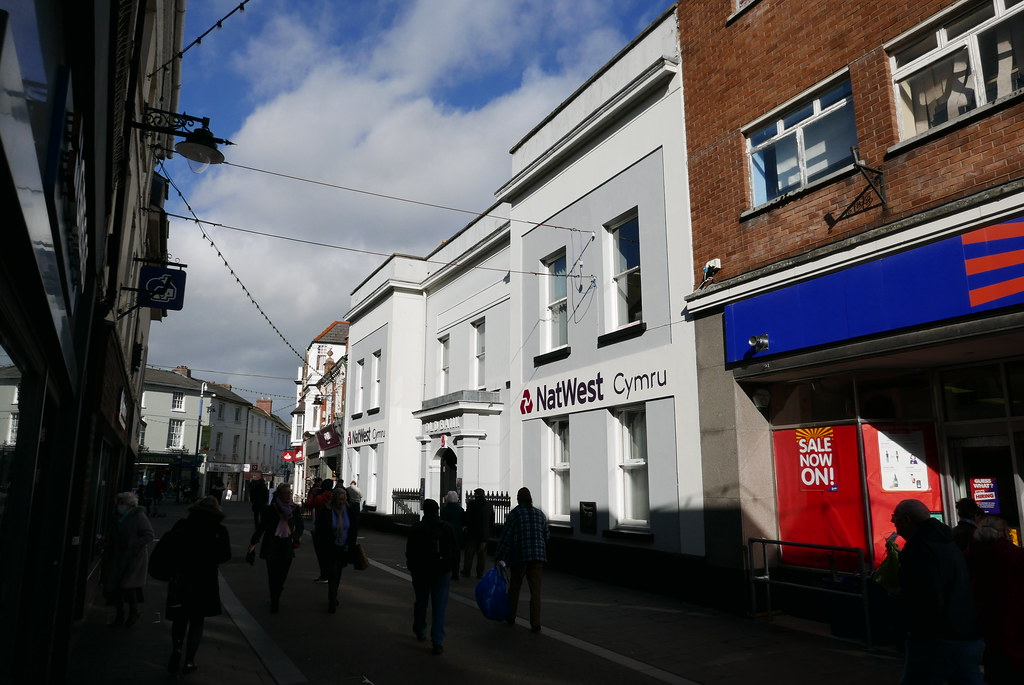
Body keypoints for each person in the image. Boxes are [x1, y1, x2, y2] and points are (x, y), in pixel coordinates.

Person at [891, 498, 983, 683]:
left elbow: (925, 597)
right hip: (967, 632)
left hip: (936, 637)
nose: (893, 523)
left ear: (907, 520)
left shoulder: (919, 549)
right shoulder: (947, 540)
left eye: (895, 518)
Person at [163, 497, 231, 675]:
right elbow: (225, 555)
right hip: (205, 580)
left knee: (180, 618)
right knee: (197, 621)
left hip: (182, 577)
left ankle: (177, 649)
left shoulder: (182, 525)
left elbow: (169, 547)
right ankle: (190, 660)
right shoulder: (219, 530)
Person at [966, 516, 1024, 683]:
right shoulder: (1015, 554)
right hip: (1013, 618)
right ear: (1004, 533)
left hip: (981, 620)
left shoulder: (970, 555)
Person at [406, 499, 458, 655]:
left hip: (421, 571)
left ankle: (420, 629)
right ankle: (437, 640)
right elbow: (455, 550)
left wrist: (412, 567)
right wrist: (451, 568)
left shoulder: (417, 528)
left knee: (421, 602)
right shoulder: (447, 528)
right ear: (437, 510)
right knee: (439, 606)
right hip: (442, 571)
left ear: (424, 510)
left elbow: (410, 551)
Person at [495, 487, 549, 633]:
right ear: (530, 498)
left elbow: (506, 538)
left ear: (518, 499)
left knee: (514, 587)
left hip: (519, 556)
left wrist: (500, 557)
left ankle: (511, 616)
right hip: (537, 557)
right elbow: (546, 535)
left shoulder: (514, 514)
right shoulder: (540, 514)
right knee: (536, 592)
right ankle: (536, 624)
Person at [248, 483, 304, 613]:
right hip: (272, 545)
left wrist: (295, 537)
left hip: (287, 545)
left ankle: (277, 591)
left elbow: (300, 526)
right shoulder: (270, 510)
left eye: (290, 493)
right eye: (286, 493)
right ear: (279, 495)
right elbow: (261, 528)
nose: (289, 496)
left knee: (283, 574)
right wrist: (253, 543)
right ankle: (274, 598)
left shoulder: (294, 509)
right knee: (273, 574)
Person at [101, 492, 155, 627]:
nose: (119, 506)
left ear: (130, 505)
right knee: (116, 587)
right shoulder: (115, 517)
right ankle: (120, 614)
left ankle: (133, 612)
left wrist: (130, 544)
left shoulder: (139, 517)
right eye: (119, 503)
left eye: (122, 503)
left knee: (128, 585)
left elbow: (149, 535)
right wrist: (108, 542)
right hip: (117, 556)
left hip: (134, 558)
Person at [313, 487, 360, 613]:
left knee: (338, 572)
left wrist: (351, 544)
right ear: (334, 499)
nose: (341, 502)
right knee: (333, 572)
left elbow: (353, 528)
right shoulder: (327, 511)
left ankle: (334, 594)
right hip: (330, 547)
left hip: (344, 547)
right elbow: (321, 530)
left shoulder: (349, 510)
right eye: (339, 500)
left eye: (343, 500)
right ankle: (332, 599)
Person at [306, 478, 335, 583]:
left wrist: (312, 494)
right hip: (333, 528)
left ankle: (324, 575)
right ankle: (331, 574)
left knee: (321, 553)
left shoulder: (320, 497)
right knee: (331, 553)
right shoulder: (335, 496)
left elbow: (308, 504)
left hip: (321, 527)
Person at [462, 488, 494, 579]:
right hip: (484, 534)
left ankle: (467, 571)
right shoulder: (489, 505)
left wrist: (467, 527)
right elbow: (491, 519)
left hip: (472, 533)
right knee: (482, 555)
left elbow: (467, 517)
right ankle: (480, 573)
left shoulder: (471, 504)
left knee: (469, 554)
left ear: (476, 494)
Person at [440, 491, 465, 580]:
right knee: (457, 554)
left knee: (446, 553)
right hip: (457, 534)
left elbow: (442, 522)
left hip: (446, 534)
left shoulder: (444, 510)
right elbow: (463, 522)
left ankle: (446, 571)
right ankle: (455, 573)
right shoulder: (461, 510)